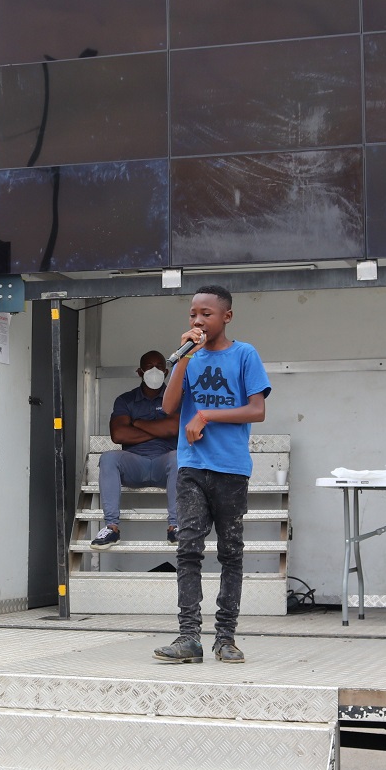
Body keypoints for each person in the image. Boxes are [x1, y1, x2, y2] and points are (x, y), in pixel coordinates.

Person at [153, 285, 271, 665]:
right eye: (193, 314)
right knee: (188, 548)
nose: (198, 320)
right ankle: (189, 636)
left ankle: (225, 638)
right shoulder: (188, 357)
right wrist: (184, 358)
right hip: (192, 467)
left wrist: (205, 415)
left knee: (230, 553)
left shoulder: (244, 354)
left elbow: (257, 410)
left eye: (206, 314)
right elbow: (169, 406)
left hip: (231, 469)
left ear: (227, 317)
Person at [91, 350, 179, 550]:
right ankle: (111, 528)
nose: (154, 371)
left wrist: (137, 423)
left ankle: (175, 527)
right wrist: (159, 430)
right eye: (149, 367)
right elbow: (118, 435)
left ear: (166, 372)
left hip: (165, 464)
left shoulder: (176, 398)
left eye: (159, 367)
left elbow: (173, 428)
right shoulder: (126, 400)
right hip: (134, 464)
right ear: (140, 372)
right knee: (108, 458)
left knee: (179, 458)